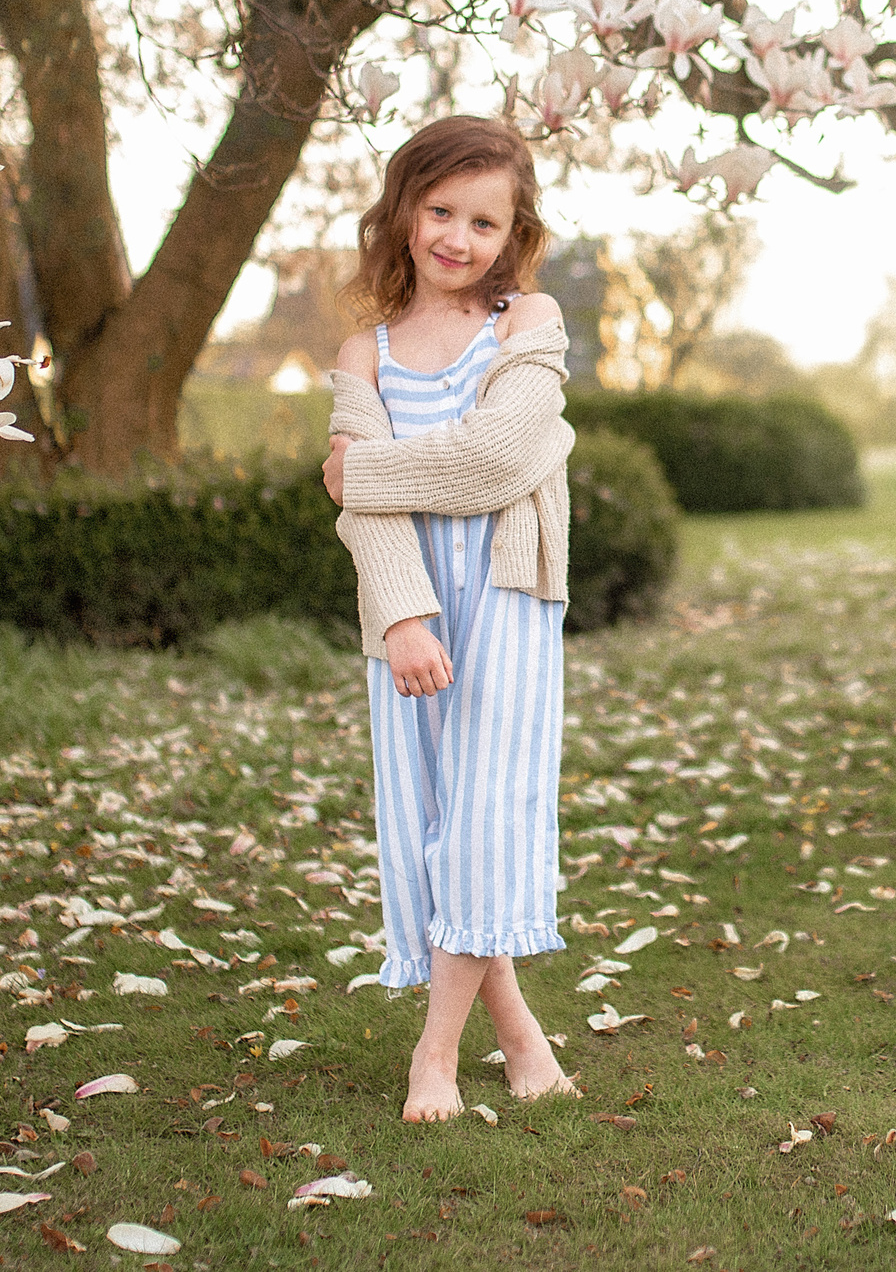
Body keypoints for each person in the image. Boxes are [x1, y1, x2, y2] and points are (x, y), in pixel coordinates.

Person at [321, 114, 581, 1122]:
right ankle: (519, 1038)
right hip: (416, 615)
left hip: (509, 600)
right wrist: (401, 621)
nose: (457, 238)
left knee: (486, 820)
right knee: (434, 831)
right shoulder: (367, 353)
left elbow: (499, 460)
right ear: (404, 211)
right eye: (440, 210)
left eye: (483, 221)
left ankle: (432, 1055)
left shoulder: (526, 324)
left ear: (510, 237)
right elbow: (371, 526)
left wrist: (359, 476)